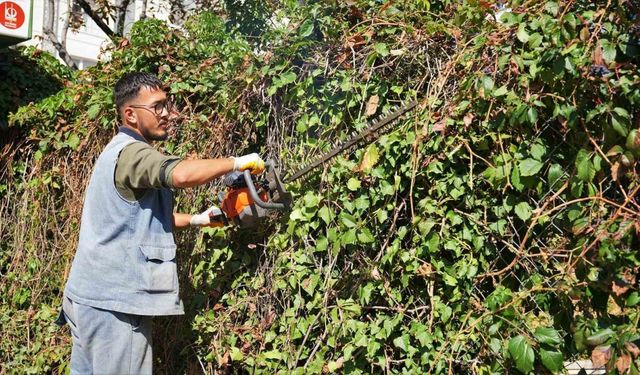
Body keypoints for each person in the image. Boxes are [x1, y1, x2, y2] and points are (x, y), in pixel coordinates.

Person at [58, 72, 265, 374]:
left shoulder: (115, 151)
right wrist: (236, 162)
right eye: (157, 107)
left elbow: (138, 220)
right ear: (130, 114)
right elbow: (179, 175)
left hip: (88, 297)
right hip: (116, 305)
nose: (167, 113)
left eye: (167, 104)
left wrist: (198, 220)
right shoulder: (133, 154)